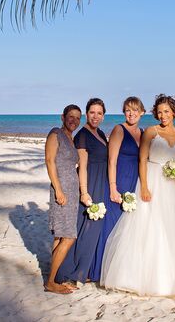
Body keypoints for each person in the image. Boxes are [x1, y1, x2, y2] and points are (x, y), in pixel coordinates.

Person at [101, 94, 175, 304]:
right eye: (160, 112)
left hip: (174, 188)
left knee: (174, 229)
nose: (163, 115)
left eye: (167, 111)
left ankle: (172, 279)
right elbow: (142, 160)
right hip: (153, 183)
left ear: (174, 112)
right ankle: (144, 279)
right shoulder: (150, 132)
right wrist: (145, 187)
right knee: (149, 227)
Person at [56, 98, 109, 284]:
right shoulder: (83, 135)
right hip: (90, 183)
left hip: (101, 181)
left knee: (94, 228)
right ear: (87, 114)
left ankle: (86, 269)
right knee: (86, 227)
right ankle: (73, 271)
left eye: (99, 113)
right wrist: (84, 192)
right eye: (92, 112)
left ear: (103, 116)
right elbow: (83, 166)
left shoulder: (100, 133)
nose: (95, 116)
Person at [44, 104, 82, 294]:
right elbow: (49, 161)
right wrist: (58, 190)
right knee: (69, 236)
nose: (73, 120)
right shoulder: (56, 133)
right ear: (63, 116)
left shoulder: (71, 138)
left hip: (72, 191)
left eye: (77, 118)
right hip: (62, 191)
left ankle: (55, 278)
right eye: (71, 116)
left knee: (60, 236)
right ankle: (51, 282)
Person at [100, 97, 144, 256]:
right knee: (112, 225)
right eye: (128, 110)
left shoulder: (143, 133)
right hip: (118, 182)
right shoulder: (119, 130)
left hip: (134, 183)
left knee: (126, 228)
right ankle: (102, 269)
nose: (131, 114)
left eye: (135, 110)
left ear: (142, 113)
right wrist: (113, 188)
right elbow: (111, 161)